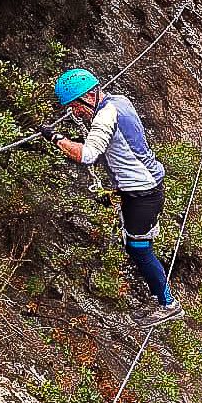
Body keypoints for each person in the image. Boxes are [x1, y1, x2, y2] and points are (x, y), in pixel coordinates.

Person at [40, 68, 184, 329]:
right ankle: (159, 298)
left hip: (143, 193)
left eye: (76, 106)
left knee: (139, 250)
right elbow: (127, 149)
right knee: (136, 247)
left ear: (89, 95)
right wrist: (117, 191)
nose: (76, 112)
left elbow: (86, 155)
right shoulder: (120, 101)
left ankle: (168, 304)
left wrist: (56, 138)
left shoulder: (106, 116)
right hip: (141, 188)